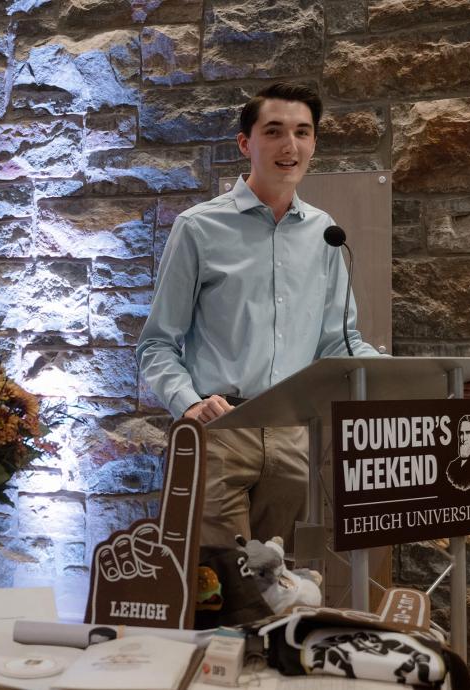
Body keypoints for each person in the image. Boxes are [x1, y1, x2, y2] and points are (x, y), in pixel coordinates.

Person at [136, 82, 380, 550]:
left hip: (293, 436)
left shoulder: (325, 234)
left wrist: (420, 382)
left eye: (302, 132)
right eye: (274, 131)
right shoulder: (198, 227)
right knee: (214, 588)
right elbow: (157, 343)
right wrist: (189, 405)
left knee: (280, 588)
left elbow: (340, 344)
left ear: (314, 143)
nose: (290, 146)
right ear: (246, 143)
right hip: (217, 430)